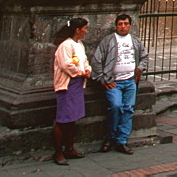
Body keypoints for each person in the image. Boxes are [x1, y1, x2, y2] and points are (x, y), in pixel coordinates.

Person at [92, 14, 150, 155]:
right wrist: (103, 79)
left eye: (125, 23)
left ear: (130, 25)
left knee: (128, 109)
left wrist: (139, 69)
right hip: (114, 82)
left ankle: (122, 141)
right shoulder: (108, 41)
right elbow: (96, 61)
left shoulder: (135, 41)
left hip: (130, 81)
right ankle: (110, 137)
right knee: (115, 106)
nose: (123, 26)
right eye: (120, 24)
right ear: (116, 26)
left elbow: (144, 57)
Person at [52, 17, 91, 165]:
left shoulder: (79, 44)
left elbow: (84, 61)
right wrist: (81, 72)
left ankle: (69, 148)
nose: (86, 32)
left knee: (72, 118)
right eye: (85, 29)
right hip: (67, 85)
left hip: (77, 84)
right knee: (62, 119)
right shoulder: (65, 46)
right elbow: (66, 64)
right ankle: (58, 152)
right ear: (77, 30)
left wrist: (87, 69)